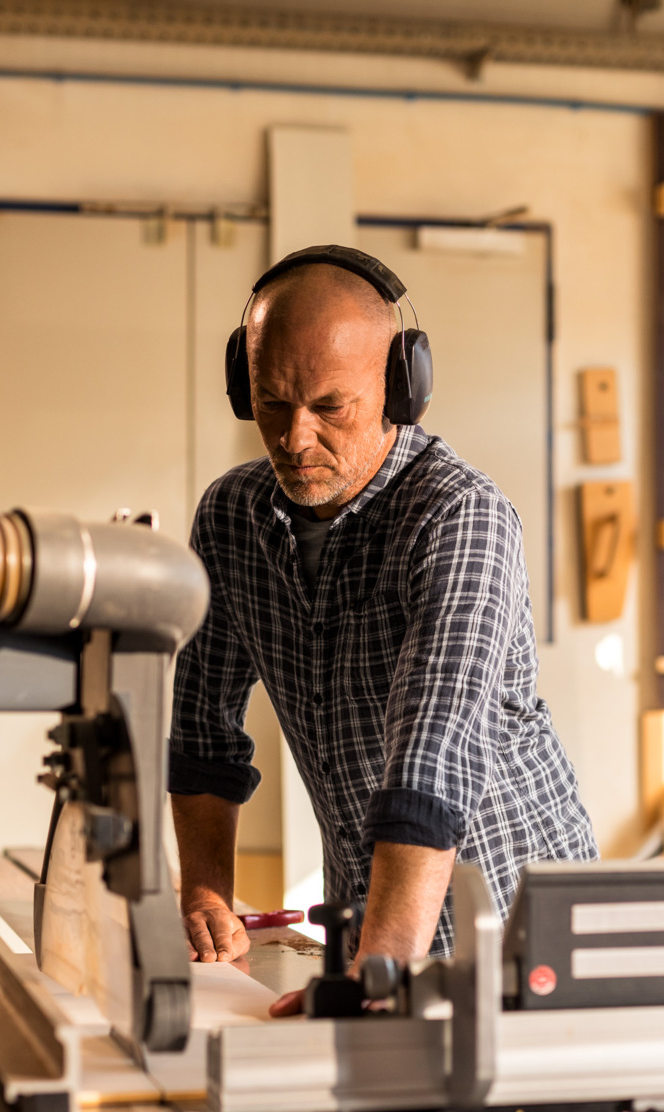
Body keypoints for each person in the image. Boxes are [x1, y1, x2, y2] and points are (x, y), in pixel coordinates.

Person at [168, 246, 596, 1015]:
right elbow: (203, 727)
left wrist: (378, 978)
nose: (295, 439)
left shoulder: (458, 516)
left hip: (516, 924)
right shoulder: (231, 518)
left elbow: (433, 757)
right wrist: (206, 895)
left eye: (330, 407)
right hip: (370, 916)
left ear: (401, 389)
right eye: (271, 402)